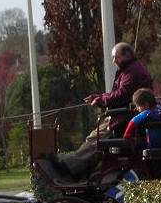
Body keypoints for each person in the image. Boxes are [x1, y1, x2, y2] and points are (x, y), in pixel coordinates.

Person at [52, 42, 152, 178]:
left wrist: (100, 100)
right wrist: (99, 97)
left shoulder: (132, 71)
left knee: (96, 139)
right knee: (93, 137)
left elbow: (122, 94)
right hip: (122, 116)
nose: (114, 61)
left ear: (127, 55)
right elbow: (119, 94)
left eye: (116, 57)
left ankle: (70, 167)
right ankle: (78, 167)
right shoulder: (130, 69)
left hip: (124, 118)